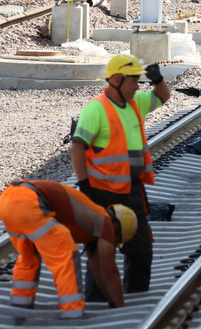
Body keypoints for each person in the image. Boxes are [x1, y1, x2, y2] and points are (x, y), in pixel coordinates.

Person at [71, 54, 170, 295]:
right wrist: (85, 187)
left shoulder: (137, 103)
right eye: (133, 81)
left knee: (141, 251)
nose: (137, 86)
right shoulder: (96, 109)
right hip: (102, 193)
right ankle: (97, 302)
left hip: (132, 191)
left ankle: (135, 298)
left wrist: (157, 80)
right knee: (100, 252)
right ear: (116, 79)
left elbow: (163, 96)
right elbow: (77, 147)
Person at [0, 177, 138, 317]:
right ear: (117, 226)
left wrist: (111, 302)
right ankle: (73, 311)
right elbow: (109, 272)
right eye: (116, 240)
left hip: (7, 200)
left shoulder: (92, 228)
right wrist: (121, 308)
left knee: (29, 258)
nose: (112, 243)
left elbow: (99, 273)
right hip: (29, 200)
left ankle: (20, 304)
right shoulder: (105, 223)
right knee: (67, 255)